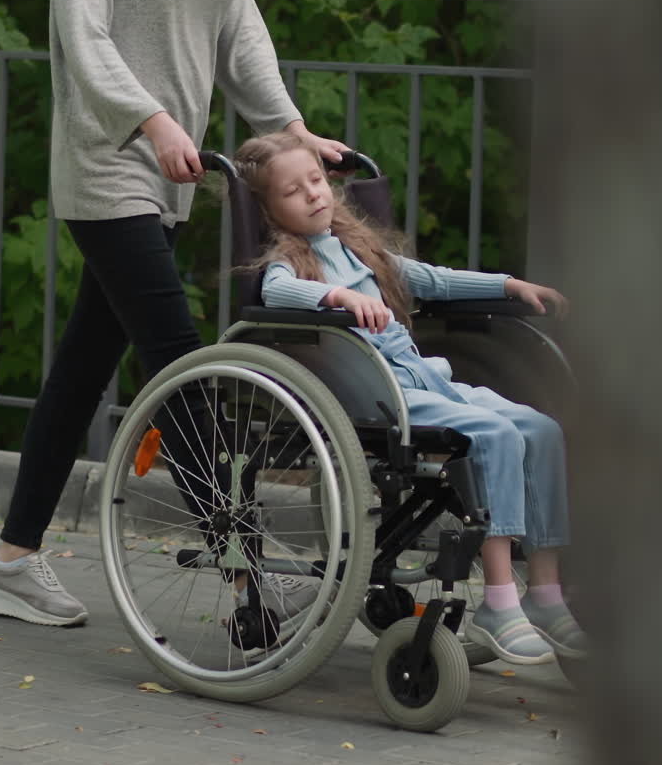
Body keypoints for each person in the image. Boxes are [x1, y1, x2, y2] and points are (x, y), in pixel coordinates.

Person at [0, 0, 347, 629]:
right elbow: (83, 30)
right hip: (112, 161)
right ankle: (248, 574)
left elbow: (242, 31)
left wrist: (293, 131)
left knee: (81, 368)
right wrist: (149, 118)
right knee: (179, 358)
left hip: (171, 170)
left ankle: (9, 557)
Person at [232, 130, 587, 666]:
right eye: (293, 191)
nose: (313, 194)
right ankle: (498, 601)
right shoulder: (290, 261)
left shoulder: (358, 249)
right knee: (495, 433)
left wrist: (510, 286)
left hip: (424, 380)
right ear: (269, 210)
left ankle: (545, 593)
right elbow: (274, 292)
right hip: (375, 393)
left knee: (542, 429)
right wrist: (337, 296)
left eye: (316, 180)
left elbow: (433, 280)